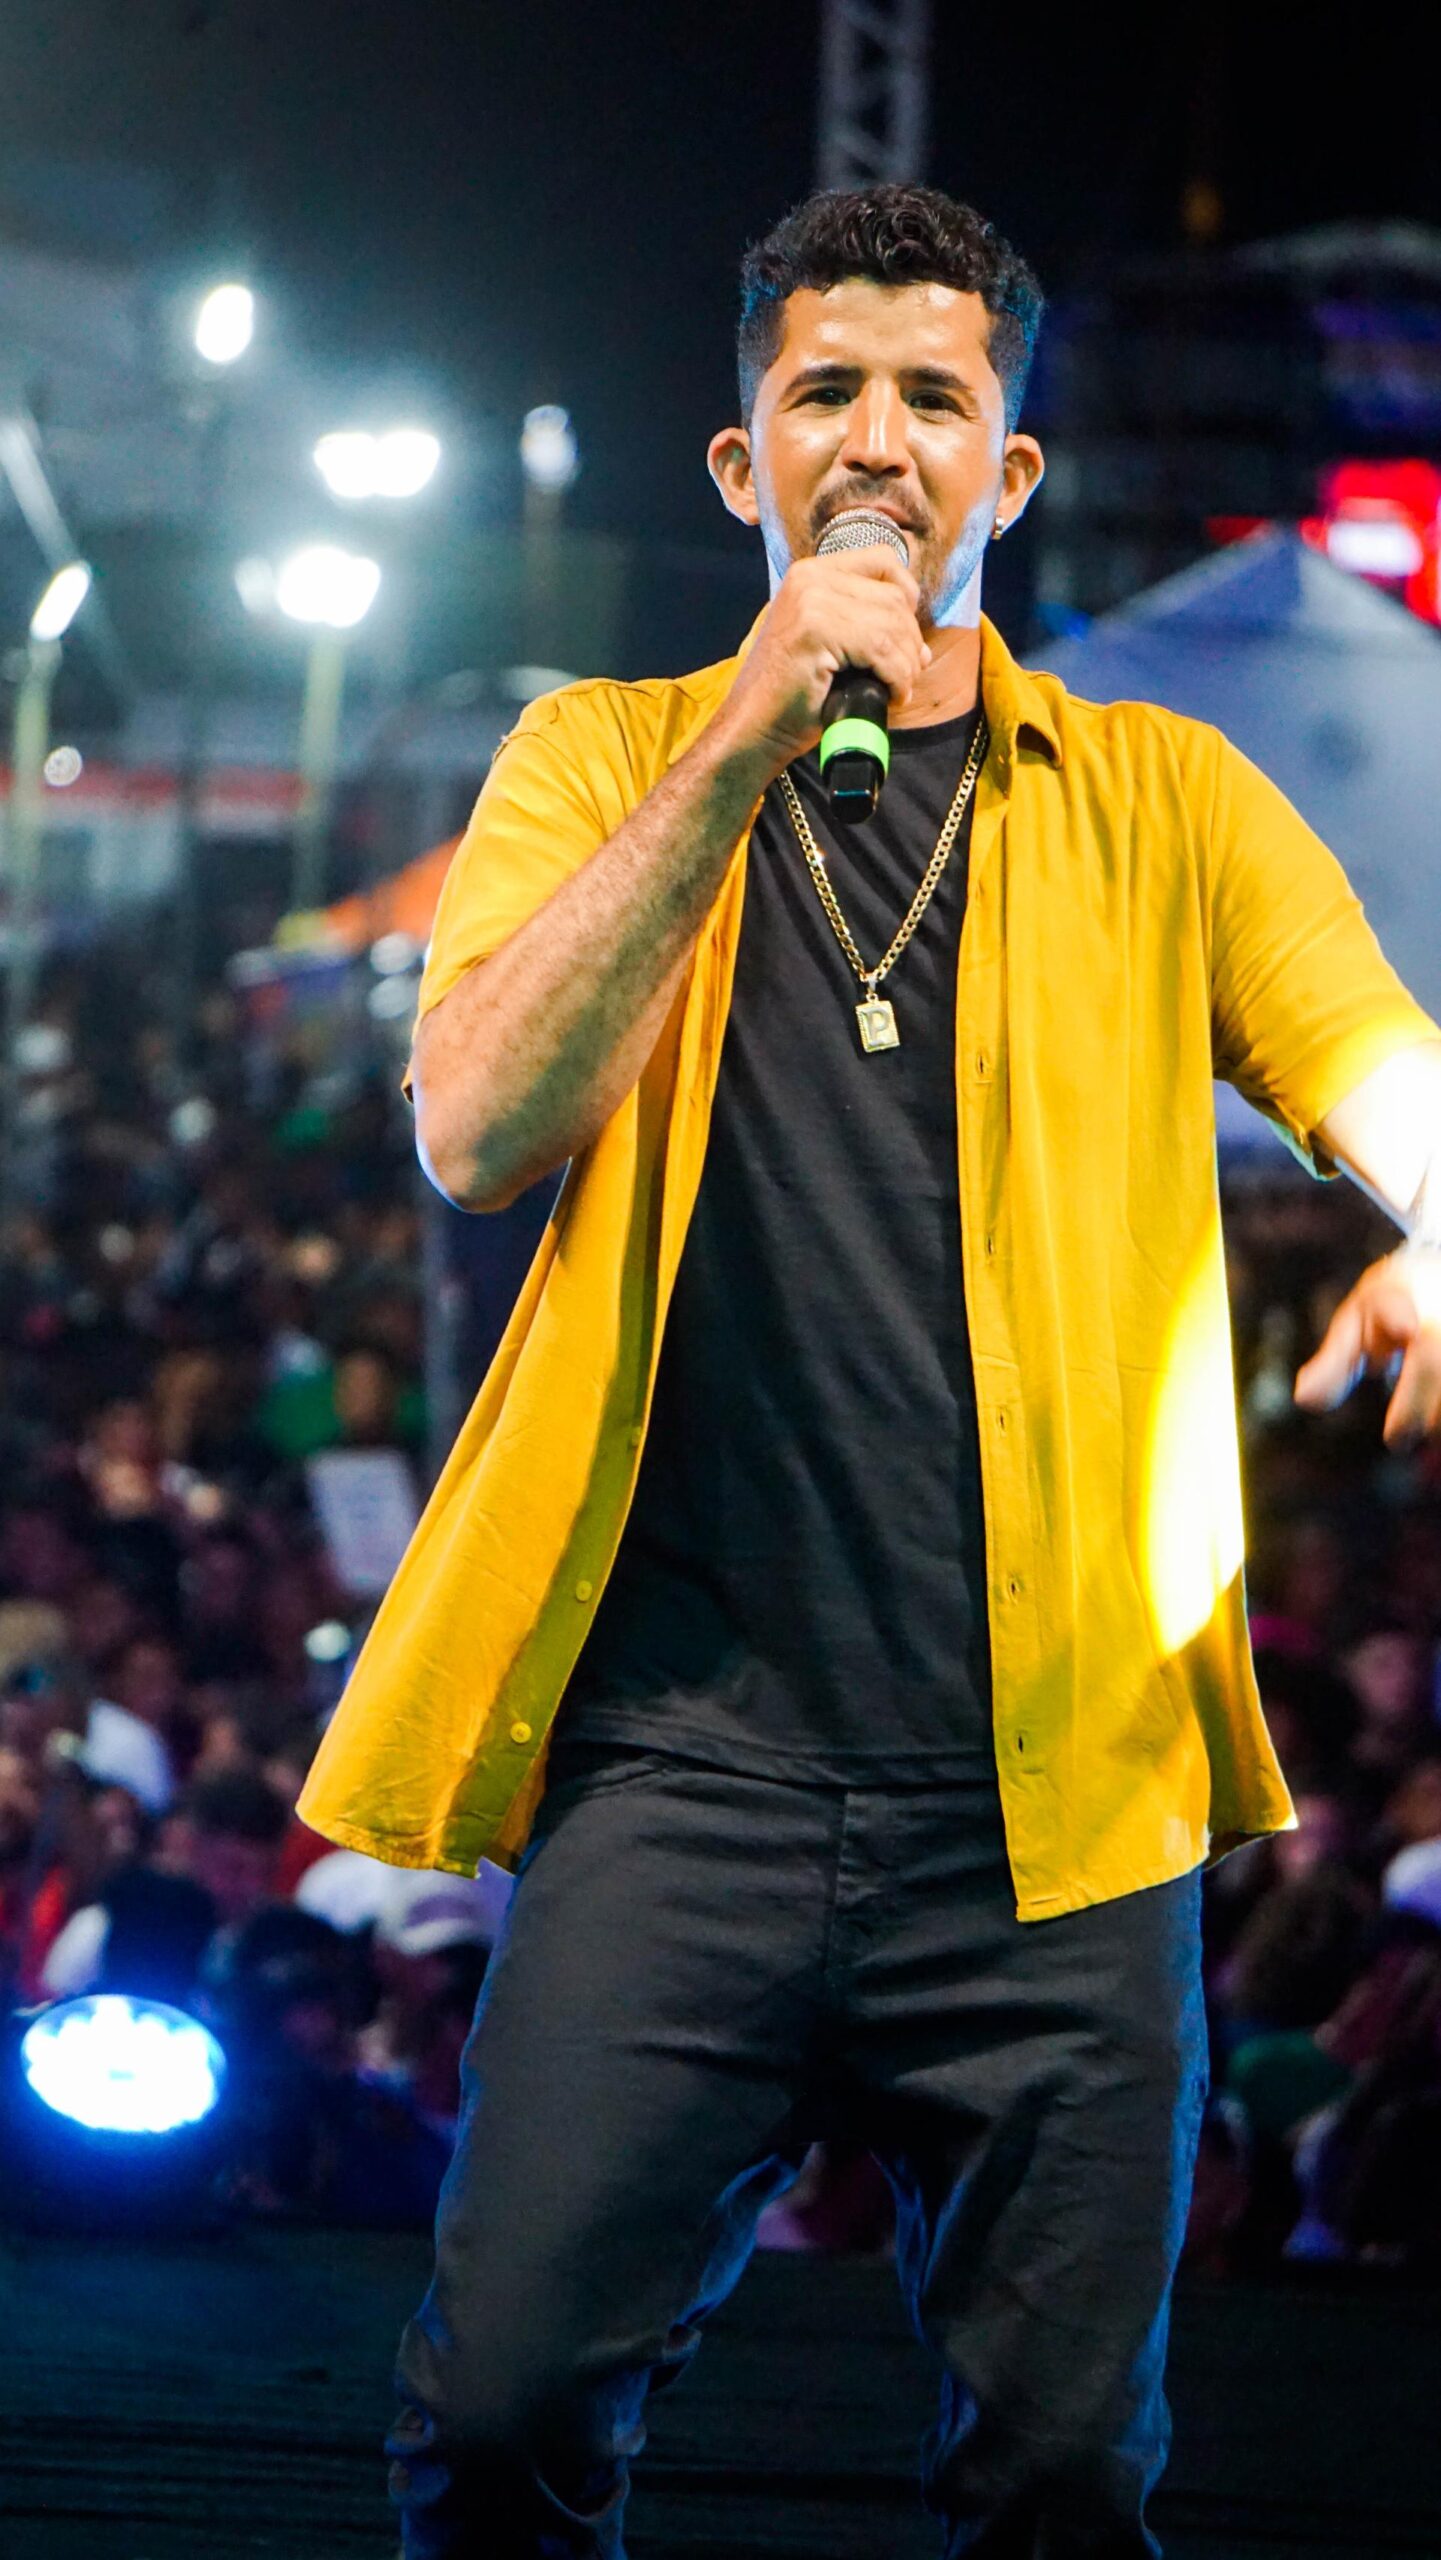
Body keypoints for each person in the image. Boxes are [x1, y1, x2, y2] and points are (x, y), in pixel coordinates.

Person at [296, 184, 1441, 2558]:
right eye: (825, 389)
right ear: (746, 462)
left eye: (936, 396)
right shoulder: (597, 757)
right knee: (501, 2412)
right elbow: (477, 1126)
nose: (879, 439)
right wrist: (747, 729)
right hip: (676, 1775)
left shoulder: (1165, 804)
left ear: (1005, 470)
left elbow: (1382, 1067)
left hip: (1059, 1807)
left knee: (1060, 2482)